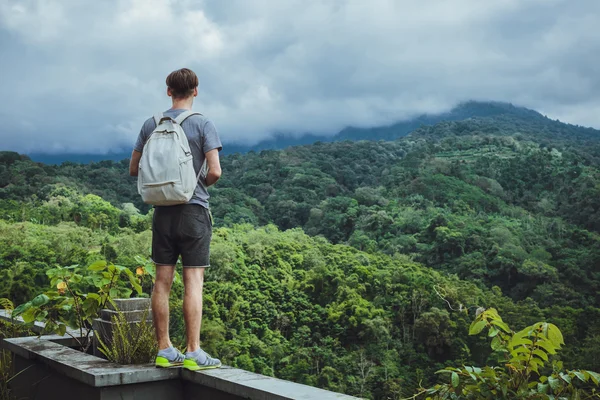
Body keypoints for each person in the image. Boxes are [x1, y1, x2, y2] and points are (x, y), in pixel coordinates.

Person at [129, 68, 223, 370]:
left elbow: (134, 169)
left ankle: (165, 349)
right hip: (193, 211)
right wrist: (196, 185)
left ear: (168, 91)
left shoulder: (151, 124)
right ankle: (194, 351)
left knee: (162, 281)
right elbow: (215, 171)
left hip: (162, 213)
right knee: (193, 281)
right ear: (195, 90)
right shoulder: (203, 124)